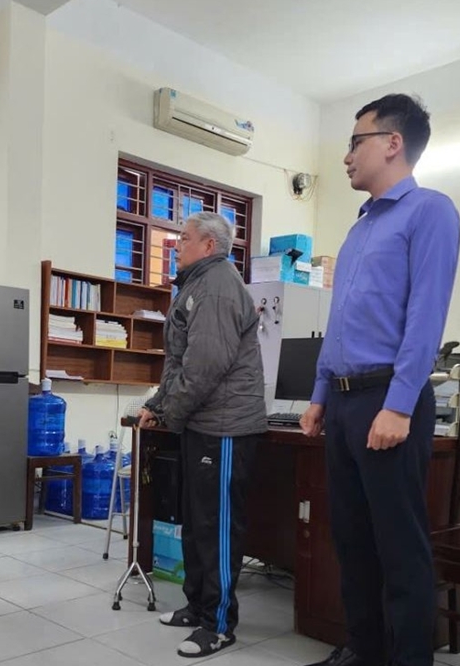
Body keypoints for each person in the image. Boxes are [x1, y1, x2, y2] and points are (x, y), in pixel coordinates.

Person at [300, 94, 460, 666]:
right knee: (351, 541)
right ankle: (363, 651)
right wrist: (319, 395)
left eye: (355, 142)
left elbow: (426, 316)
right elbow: (340, 322)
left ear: (393, 143)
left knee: (399, 547)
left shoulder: (430, 211)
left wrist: (399, 405)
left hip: (387, 399)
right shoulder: (359, 229)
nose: (346, 156)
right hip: (345, 404)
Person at [138, 211, 266, 658]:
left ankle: (219, 624)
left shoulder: (215, 287)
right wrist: (159, 405)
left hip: (224, 427)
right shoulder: (197, 285)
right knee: (195, 522)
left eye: (184, 238)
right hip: (202, 423)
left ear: (209, 245)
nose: (177, 245)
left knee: (217, 527)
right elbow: (180, 363)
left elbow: (204, 366)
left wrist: (170, 413)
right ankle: (197, 605)